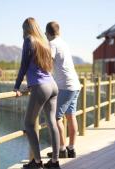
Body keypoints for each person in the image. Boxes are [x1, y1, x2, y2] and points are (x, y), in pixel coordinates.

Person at [14, 17, 61, 169]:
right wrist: (30, 85)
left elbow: (24, 65)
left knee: (28, 124)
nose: (22, 32)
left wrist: (16, 86)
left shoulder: (29, 40)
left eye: (23, 29)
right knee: (52, 122)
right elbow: (40, 67)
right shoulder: (43, 42)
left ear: (26, 29)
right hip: (52, 85)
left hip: (41, 87)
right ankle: (54, 162)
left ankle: (37, 163)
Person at [45, 21, 81, 158]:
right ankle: (71, 149)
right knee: (71, 116)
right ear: (58, 31)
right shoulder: (64, 43)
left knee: (55, 118)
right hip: (75, 85)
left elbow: (47, 64)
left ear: (47, 33)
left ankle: (61, 150)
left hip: (65, 86)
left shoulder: (52, 44)